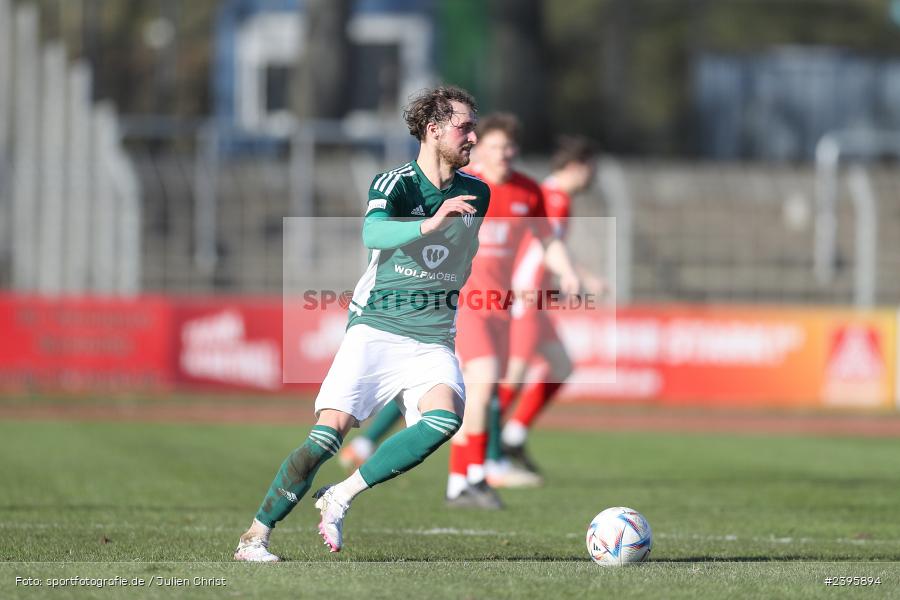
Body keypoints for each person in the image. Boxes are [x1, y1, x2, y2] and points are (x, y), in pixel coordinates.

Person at [234, 85, 489, 561]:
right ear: (434, 130)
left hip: (433, 336)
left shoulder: (477, 192)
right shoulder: (394, 183)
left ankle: (341, 495)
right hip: (376, 328)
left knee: (445, 420)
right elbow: (373, 232)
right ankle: (255, 536)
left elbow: (453, 259)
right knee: (326, 438)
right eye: (465, 127)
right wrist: (430, 222)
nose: (474, 136)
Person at [447, 114, 582, 509]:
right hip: (467, 302)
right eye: (494, 147)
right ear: (479, 149)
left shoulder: (528, 191)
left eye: (508, 147)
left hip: (502, 307)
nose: (502, 154)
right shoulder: (461, 185)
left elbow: (547, 240)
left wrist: (567, 271)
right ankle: (475, 476)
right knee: (484, 380)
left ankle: (460, 481)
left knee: (482, 393)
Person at [491, 136, 602, 483]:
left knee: (561, 365)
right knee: (512, 376)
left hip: (535, 300)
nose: (593, 175)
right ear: (577, 166)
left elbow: (552, 248)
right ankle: (487, 456)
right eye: (591, 167)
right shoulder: (552, 197)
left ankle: (512, 437)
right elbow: (539, 248)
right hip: (526, 298)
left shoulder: (555, 196)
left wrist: (581, 276)